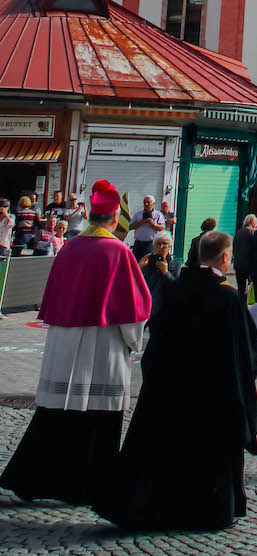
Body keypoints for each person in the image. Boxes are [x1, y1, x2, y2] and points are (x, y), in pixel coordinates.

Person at [94, 230, 257, 531]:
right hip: (211, 397)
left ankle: (152, 508)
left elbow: (154, 338)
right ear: (225, 258)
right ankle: (205, 511)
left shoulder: (175, 289)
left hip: (168, 391)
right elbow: (243, 354)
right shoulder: (228, 298)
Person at [0, 178, 151, 507]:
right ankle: (92, 486)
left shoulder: (69, 247)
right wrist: (133, 341)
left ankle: (32, 479)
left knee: (55, 416)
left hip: (65, 343)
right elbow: (135, 309)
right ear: (114, 219)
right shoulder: (118, 251)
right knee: (97, 419)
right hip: (103, 345)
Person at [139, 230, 181, 318]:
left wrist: (166, 273)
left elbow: (176, 287)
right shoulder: (148, 262)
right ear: (154, 247)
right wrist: (139, 267)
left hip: (166, 310)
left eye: (164, 244)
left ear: (169, 246)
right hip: (149, 308)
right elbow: (138, 284)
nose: (161, 247)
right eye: (158, 244)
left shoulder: (175, 265)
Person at [128, 195, 166, 262]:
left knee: (148, 263)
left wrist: (153, 224)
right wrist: (139, 223)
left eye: (148, 202)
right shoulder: (138, 214)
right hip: (138, 244)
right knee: (136, 263)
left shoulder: (158, 215)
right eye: (145, 202)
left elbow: (162, 228)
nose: (146, 204)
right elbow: (130, 227)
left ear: (153, 203)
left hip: (150, 244)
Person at [233, 214, 257, 300]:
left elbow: (234, 247)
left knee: (241, 289)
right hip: (249, 265)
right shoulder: (254, 232)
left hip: (238, 264)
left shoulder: (239, 232)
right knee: (251, 288)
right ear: (253, 222)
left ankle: (241, 306)